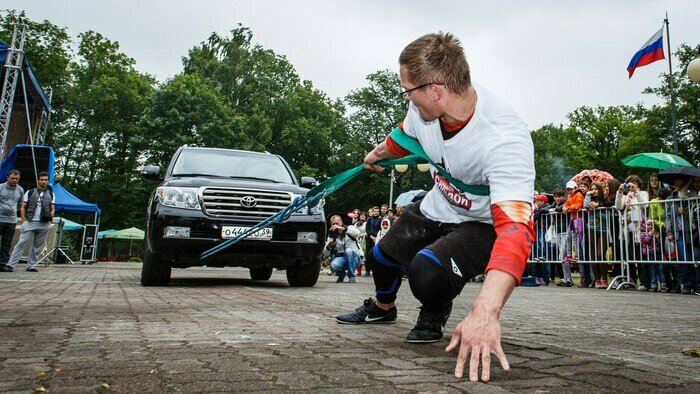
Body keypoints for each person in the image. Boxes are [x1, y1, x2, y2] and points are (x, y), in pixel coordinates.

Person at [335, 32, 535, 382]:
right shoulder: (421, 109)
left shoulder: (504, 140)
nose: (406, 96)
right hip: (439, 204)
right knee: (381, 257)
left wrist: (486, 310)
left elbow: (516, 230)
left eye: (407, 89)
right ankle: (383, 309)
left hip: (481, 222)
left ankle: (434, 310)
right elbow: (402, 137)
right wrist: (373, 156)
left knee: (426, 272)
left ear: (435, 90)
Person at [5, 172, 54, 272]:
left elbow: (52, 208)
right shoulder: (30, 192)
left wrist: (50, 218)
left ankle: (31, 265)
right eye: (42, 179)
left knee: (37, 246)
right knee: (21, 243)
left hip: (44, 223)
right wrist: (24, 221)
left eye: (45, 180)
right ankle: (11, 264)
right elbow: (23, 206)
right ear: (38, 180)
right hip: (30, 221)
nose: (44, 181)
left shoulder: (51, 193)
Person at [326, 214, 362, 283]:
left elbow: (358, 233)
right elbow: (325, 253)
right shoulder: (331, 235)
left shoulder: (350, 228)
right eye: (333, 224)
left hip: (355, 258)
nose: (335, 225)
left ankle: (351, 277)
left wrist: (342, 228)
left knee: (348, 251)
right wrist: (328, 247)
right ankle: (341, 275)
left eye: (337, 223)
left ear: (341, 222)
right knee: (333, 265)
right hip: (342, 258)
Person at [0, 170, 24, 272]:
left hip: (11, 220)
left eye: (16, 179)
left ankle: (2, 264)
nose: (14, 180)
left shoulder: (20, 190)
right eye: (12, 178)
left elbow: (20, 204)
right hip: (0, 218)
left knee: (6, 243)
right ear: (7, 178)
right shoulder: (1, 187)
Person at [364, 206, 382, 277]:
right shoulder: (369, 219)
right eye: (375, 211)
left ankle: (375, 271)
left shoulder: (380, 220)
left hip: (377, 239)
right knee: (368, 255)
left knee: (376, 255)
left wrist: (376, 238)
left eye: (377, 211)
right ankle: (367, 271)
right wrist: (371, 236)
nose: (376, 212)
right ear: (373, 212)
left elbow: (381, 229)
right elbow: (367, 228)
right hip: (369, 239)